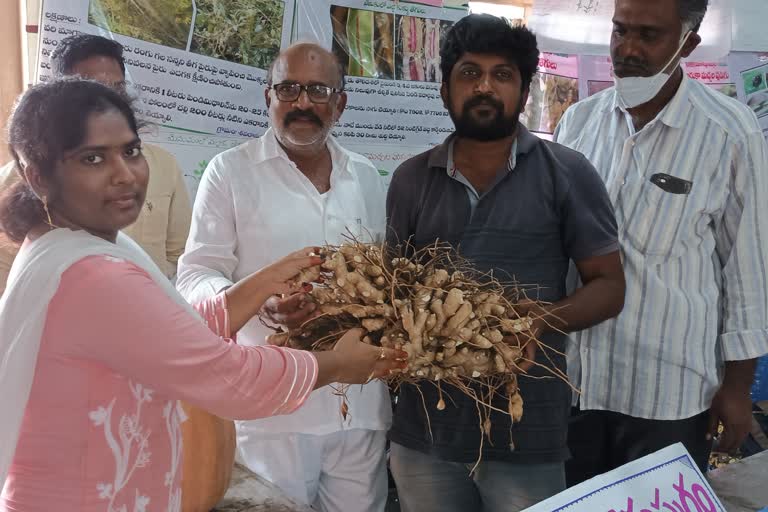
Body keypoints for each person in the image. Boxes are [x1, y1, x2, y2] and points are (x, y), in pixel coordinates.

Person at [0, 78, 407, 512]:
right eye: (93, 158)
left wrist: (260, 283)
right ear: (38, 175)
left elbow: (168, 334)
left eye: (131, 150)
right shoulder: (93, 275)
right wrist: (337, 365)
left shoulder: (77, 244)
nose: (125, 174)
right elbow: (223, 374)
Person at [385, 15, 626, 512]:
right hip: (425, 429)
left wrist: (540, 319)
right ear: (445, 88)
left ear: (523, 89)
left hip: (527, 431)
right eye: (469, 73)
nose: (485, 87)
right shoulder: (411, 179)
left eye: (503, 75)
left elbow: (609, 286)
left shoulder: (568, 174)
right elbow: (395, 291)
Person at [553, 0, 768, 484]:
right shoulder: (578, 124)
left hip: (668, 391)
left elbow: (748, 270)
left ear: (688, 42)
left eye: (648, 35)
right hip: (577, 384)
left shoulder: (730, 132)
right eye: (619, 31)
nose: (627, 49)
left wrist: (737, 390)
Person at [176, 43, 391, 512]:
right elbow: (194, 277)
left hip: (360, 403)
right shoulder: (229, 171)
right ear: (267, 96)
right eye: (288, 88)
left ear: (341, 103)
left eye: (318, 90)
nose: (302, 103)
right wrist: (260, 303)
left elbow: (382, 278)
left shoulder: (367, 176)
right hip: (273, 407)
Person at [0, 34, 191, 289]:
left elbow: (180, 256)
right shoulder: (22, 178)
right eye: (90, 90)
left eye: (117, 89)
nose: (110, 102)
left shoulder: (163, 165)